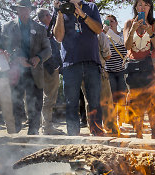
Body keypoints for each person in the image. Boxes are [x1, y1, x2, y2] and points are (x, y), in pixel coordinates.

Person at [53, 0, 104, 136]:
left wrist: (83, 15)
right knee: (71, 103)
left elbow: (98, 29)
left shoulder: (91, 7)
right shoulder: (61, 8)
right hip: (70, 63)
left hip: (91, 62)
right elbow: (58, 37)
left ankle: (97, 133)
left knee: (94, 101)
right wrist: (59, 13)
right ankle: (73, 137)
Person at [3, 0, 52, 135]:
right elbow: (4, 48)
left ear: (30, 10)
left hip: (35, 70)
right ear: (17, 10)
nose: (24, 11)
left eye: (26, 8)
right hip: (16, 71)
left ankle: (33, 131)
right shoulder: (7, 27)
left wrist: (38, 58)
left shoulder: (40, 28)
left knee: (36, 102)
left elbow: (48, 50)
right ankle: (16, 131)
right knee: (16, 101)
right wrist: (17, 58)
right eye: (21, 9)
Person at [123, 0, 155, 139]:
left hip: (148, 65)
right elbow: (127, 46)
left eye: (146, 5)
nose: (143, 7)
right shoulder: (129, 23)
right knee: (136, 102)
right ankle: (138, 133)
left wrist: (150, 32)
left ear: (150, 7)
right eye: (140, 4)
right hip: (133, 66)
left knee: (152, 102)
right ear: (135, 7)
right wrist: (133, 29)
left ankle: (154, 134)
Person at [37, 8, 64, 135]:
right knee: (49, 98)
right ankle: (46, 127)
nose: (51, 18)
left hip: (48, 67)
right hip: (49, 68)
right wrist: (54, 66)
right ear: (44, 17)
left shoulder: (44, 29)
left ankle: (47, 126)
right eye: (48, 15)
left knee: (48, 97)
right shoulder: (43, 29)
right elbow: (45, 50)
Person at [103, 14, 128, 129]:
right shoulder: (104, 37)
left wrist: (111, 33)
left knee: (122, 96)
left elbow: (124, 45)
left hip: (122, 70)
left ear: (117, 23)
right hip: (110, 71)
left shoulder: (122, 35)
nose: (110, 24)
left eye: (112, 21)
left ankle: (121, 120)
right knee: (112, 97)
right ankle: (114, 122)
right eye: (107, 22)